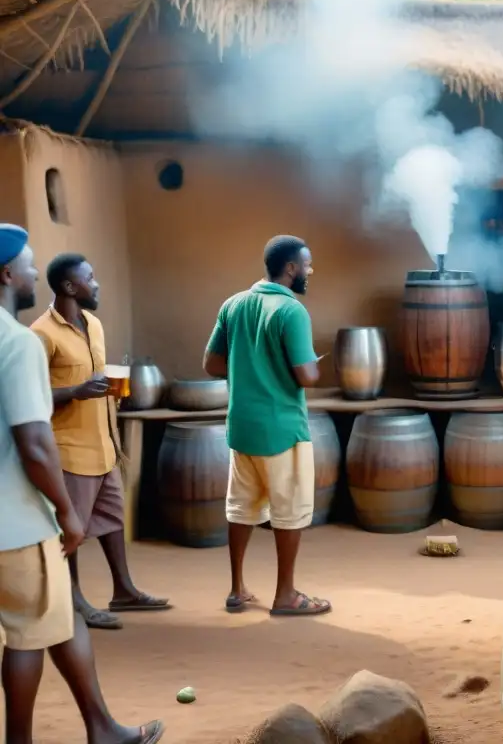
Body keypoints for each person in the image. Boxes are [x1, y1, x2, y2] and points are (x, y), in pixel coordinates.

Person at [0, 224, 165, 744]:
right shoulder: (21, 342)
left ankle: (101, 726)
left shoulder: (81, 327)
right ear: (6, 274)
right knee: (30, 633)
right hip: (16, 523)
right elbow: (34, 440)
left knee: (61, 621)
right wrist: (67, 513)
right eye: (28, 265)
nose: (33, 273)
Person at [31, 253, 169, 631]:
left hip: (104, 444)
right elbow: (31, 395)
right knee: (70, 532)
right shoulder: (41, 334)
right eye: (90, 278)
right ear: (70, 287)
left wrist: (109, 393)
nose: (97, 284)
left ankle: (124, 589)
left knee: (110, 519)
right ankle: (74, 600)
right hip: (70, 450)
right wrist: (74, 391)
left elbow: (98, 378)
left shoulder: (93, 324)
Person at [203, 235, 330, 617]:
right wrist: (315, 366)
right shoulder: (292, 312)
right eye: (306, 264)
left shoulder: (234, 304)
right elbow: (306, 376)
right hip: (282, 429)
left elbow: (210, 365)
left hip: (242, 428)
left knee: (241, 508)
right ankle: (286, 595)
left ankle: (237, 589)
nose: (310, 271)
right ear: (290, 268)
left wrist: (250, 370)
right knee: (289, 511)